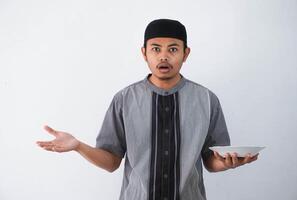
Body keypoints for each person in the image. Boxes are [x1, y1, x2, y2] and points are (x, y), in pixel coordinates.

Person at [36, 19, 258, 200]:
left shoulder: (207, 100)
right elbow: (111, 162)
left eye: (173, 49)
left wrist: (228, 163)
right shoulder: (124, 99)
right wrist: (78, 146)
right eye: (155, 49)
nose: (163, 56)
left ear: (186, 53)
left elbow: (211, 160)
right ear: (144, 53)